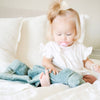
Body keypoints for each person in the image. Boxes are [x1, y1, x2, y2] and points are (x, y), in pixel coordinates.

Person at [39, 0, 100, 87]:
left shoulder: (79, 47)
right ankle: (46, 83)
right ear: (52, 32)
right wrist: (50, 66)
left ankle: (79, 82)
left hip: (78, 74)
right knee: (46, 74)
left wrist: (93, 66)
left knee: (92, 78)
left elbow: (85, 61)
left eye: (68, 34)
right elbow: (45, 61)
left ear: (76, 31)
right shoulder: (52, 46)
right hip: (61, 75)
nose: (63, 38)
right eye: (59, 34)